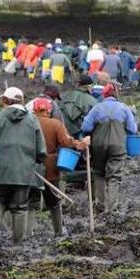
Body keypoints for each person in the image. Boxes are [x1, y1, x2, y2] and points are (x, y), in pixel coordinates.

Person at [0, 87, 46, 247]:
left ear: (5, 101)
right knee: (20, 208)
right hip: (23, 172)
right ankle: (17, 244)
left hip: (1, 170)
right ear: (21, 101)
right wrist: (35, 159)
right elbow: (41, 150)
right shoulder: (32, 119)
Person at [31, 98, 87, 236]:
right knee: (54, 202)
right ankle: (59, 231)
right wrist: (80, 144)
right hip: (50, 167)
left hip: (29, 166)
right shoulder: (55, 124)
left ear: (34, 110)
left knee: (30, 201)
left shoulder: (27, 124)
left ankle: (28, 232)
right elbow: (66, 142)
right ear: (49, 110)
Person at [80, 83, 138, 211]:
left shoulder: (96, 108)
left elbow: (85, 127)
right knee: (114, 177)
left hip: (98, 145)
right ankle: (112, 208)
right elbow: (133, 129)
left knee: (99, 173)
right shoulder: (124, 108)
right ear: (116, 94)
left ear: (104, 95)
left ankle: (100, 204)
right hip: (117, 145)